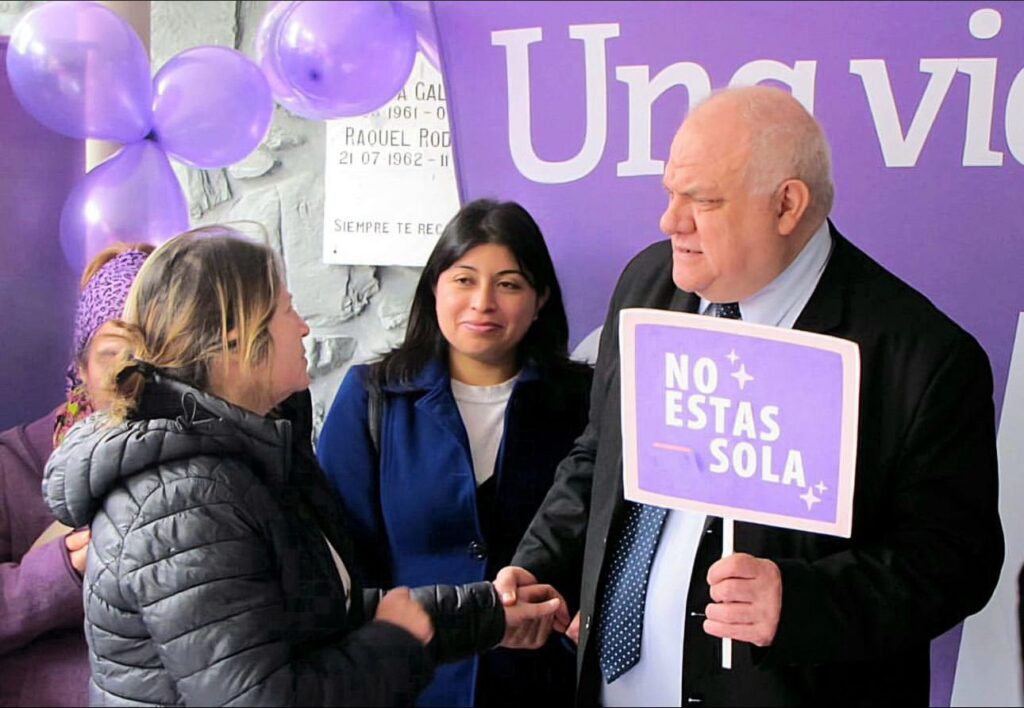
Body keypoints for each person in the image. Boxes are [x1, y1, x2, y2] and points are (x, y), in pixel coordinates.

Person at [495, 85, 1004, 705]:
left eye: (702, 201)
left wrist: (805, 603)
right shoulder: (648, 283)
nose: (669, 221)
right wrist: (543, 568)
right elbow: (603, 457)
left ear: (787, 206)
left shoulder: (924, 359)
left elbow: (954, 563)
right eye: (670, 193)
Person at [41, 226, 563, 706]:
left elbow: (311, 617)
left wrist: (484, 614)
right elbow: (264, 698)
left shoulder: (239, 464)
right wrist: (400, 642)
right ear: (236, 340)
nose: (305, 327)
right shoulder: (186, 500)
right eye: (286, 311)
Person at [317, 199, 591, 706]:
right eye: (464, 279)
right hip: (410, 683)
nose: (483, 302)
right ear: (434, 288)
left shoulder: (585, 402)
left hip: (546, 686)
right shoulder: (372, 397)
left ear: (541, 298)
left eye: (509, 284)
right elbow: (340, 561)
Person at [0, 243, 152, 707]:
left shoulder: (208, 458)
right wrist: (67, 564)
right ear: (82, 366)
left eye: (154, 352)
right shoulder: (12, 463)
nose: (134, 371)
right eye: (113, 353)